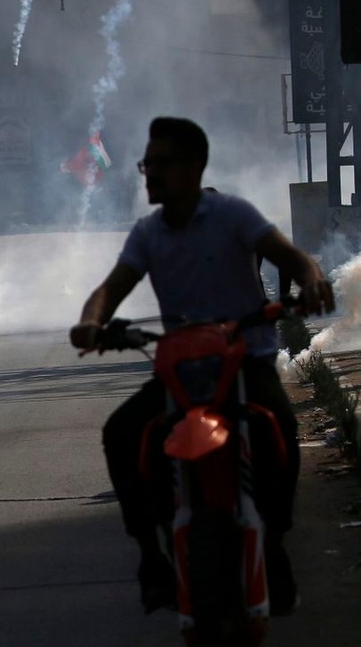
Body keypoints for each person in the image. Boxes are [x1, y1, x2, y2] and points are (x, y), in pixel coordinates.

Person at [69, 117, 335, 616]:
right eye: (147, 165)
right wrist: (90, 322)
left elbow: (291, 256)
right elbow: (110, 289)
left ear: (194, 167)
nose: (150, 174)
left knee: (279, 427)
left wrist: (312, 280)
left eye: (161, 164)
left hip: (245, 361)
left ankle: (275, 544)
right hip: (181, 370)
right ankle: (151, 557)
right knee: (121, 433)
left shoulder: (233, 215)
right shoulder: (148, 234)